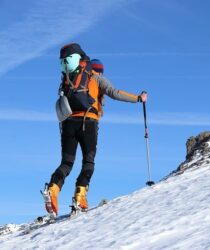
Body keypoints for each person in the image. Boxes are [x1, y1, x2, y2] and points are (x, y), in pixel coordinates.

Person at [46, 43, 147, 215]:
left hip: (68, 123)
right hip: (88, 123)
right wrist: (138, 98)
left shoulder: (69, 77)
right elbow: (115, 93)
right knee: (88, 161)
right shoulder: (96, 78)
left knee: (66, 163)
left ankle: (53, 189)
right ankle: (80, 197)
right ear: (99, 70)